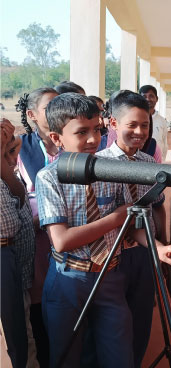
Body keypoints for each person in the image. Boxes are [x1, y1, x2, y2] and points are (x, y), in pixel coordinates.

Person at [36, 93, 171, 367]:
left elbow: (131, 228)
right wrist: (115, 219)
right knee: (66, 357)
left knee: (120, 355)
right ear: (57, 138)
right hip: (68, 280)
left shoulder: (110, 170)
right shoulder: (49, 177)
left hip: (110, 277)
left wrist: (159, 247)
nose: (93, 139)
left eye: (96, 130)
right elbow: (61, 241)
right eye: (81, 132)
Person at [97, 90, 171, 366]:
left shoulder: (149, 163)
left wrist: (161, 244)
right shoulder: (98, 164)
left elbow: (156, 207)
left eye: (145, 125)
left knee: (142, 320)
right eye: (132, 125)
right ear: (113, 124)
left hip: (144, 254)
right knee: (114, 326)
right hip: (111, 258)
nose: (140, 132)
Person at [15, 87, 60, 367]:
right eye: (49, 108)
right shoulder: (19, 148)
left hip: (71, 243)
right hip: (35, 245)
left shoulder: (73, 143)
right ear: (31, 115)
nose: (56, 113)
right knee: (39, 316)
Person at [1, 118, 35, 368]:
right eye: (7, 153)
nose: (14, 159)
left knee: (19, 337)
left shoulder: (9, 175)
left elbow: (19, 195)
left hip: (14, 263)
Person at [139, 85, 169, 161]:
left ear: (157, 99)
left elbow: (164, 143)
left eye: (151, 96)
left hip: (156, 161)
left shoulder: (162, 121)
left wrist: (162, 160)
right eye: (144, 96)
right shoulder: (135, 119)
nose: (148, 99)